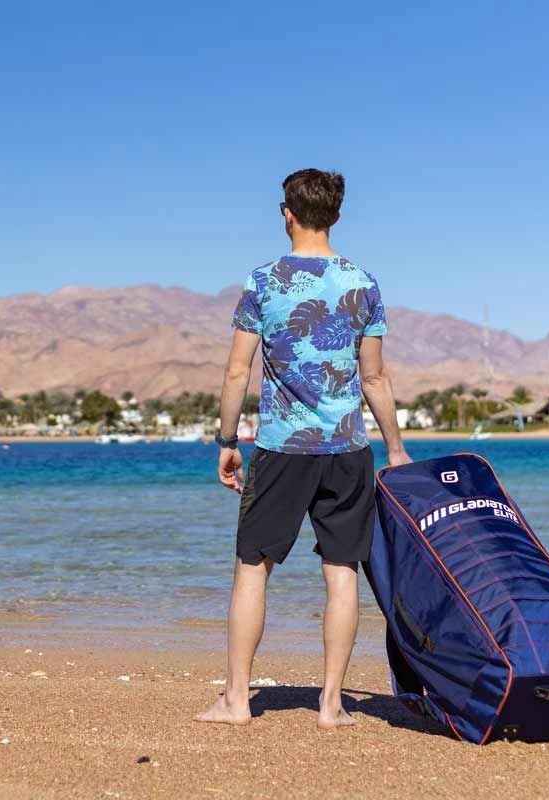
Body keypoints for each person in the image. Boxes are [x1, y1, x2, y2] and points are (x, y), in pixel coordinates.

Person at [196, 168, 410, 729]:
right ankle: (332, 704)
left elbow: (236, 370)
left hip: (282, 450)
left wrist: (227, 441)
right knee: (342, 572)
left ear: (286, 214)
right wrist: (395, 449)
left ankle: (237, 701)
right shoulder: (363, 283)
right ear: (336, 216)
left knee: (252, 568)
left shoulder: (263, 281)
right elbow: (375, 377)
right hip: (348, 449)